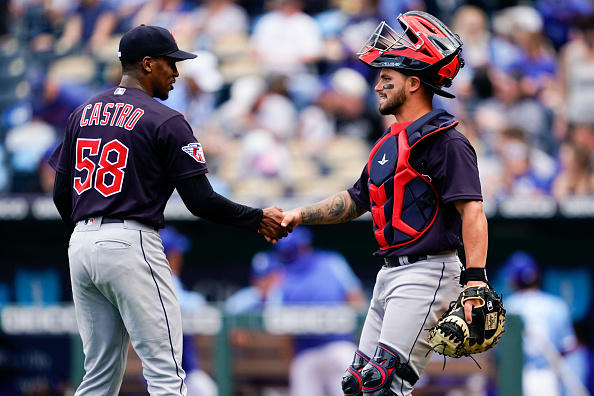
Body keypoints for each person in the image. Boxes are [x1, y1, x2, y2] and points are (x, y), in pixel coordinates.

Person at [48, 25, 288, 396]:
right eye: (170, 63)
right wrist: (257, 219)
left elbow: (61, 196)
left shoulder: (82, 112)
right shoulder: (165, 119)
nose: (176, 73)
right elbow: (201, 200)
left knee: (97, 377)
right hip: (132, 240)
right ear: (147, 64)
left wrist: (91, 229)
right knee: (166, 374)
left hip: (81, 243)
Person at [280, 11, 489, 396]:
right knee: (358, 386)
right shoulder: (390, 142)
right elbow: (356, 198)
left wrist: (475, 280)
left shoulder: (447, 142)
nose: (377, 86)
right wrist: (299, 214)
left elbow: (472, 211)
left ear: (413, 83)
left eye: (386, 79)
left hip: (429, 273)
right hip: (390, 274)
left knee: (384, 386)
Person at [273, 227, 366, 396]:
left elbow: (356, 300)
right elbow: (281, 329)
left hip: (338, 345)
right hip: (308, 353)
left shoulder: (331, 262)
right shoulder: (282, 278)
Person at [503, 251, 580, 396]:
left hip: (515, 377)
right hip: (548, 377)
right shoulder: (557, 305)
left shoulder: (507, 307)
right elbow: (568, 349)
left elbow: (499, 352)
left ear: (513, 279)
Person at [160, 226, 219, 396]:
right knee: (205, 389)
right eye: (176, 253)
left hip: (175, 370)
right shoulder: (163, 278)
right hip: (169, 372)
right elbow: (180, 304)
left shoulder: (168, 278)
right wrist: (201, 303)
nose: (180, 258)